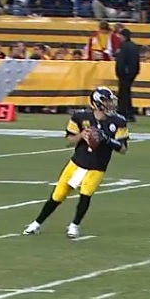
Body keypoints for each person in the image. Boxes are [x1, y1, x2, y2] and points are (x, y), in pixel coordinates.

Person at [22, 87, 129, 239]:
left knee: (86, 193)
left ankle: (75, 225)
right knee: (58, 195)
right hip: (78, 163)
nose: (110, 104)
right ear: (97, 103)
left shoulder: (118, 121)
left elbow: (123, 149)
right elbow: (69, 141)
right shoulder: (81, 117)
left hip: (98, 165)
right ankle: (36, 223)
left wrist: (107, 139)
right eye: (106, 101)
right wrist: (82, 135)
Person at [114, 28, 140, 122]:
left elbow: (121, 62)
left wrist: (120, 73)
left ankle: (123, 113)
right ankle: (129, 113)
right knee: (126, 93)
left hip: (124, 75)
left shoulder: (124, 47)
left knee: (123, 94)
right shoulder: (134, 46)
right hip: (131, 74)